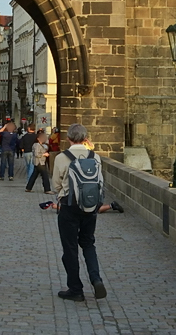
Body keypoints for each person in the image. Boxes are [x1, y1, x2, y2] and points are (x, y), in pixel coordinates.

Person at [52, 123, 106, 302]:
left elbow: (56, 185)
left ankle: (75, 289)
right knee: (88, 243)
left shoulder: (62, 157)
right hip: (90, 207)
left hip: (69, 206)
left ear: (68, 138)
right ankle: (96, 278)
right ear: (85, 139)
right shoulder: (95, 156)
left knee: (70, 248)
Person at [26, 130, 53, 194]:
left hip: (39, 162)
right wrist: (44, 154)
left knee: (34, 175)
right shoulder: (37, 145)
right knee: (45, 176)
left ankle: (28, 187)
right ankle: (47, 189)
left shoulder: (41, 145)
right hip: (39, 162)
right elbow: (36, 154)